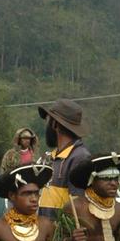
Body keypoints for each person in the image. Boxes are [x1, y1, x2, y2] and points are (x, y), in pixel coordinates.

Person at [37, 99, 91, 232]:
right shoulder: (51, 156)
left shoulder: (79, 157)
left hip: (63, 238)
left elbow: (78, 206)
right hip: (46, 235)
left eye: (48, 120)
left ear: (55, 124)